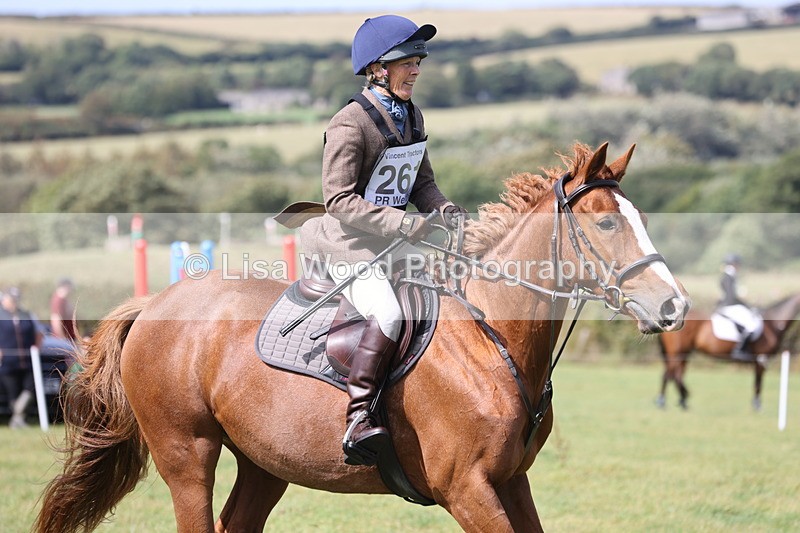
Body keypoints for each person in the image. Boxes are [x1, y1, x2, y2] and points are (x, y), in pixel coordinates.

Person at [296, 14, 467, 466]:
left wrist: (442, 208)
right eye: (406, 62)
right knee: (389, 313)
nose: (416, 70)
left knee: (448, 292)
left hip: (391, 243)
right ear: (378, 69)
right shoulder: (350, 123)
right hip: (348, 245)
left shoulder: (411, 115)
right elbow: (337, 200)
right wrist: (403, 224)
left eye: (418, 61)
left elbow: (421, 183)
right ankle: (358, 417)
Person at [0, 287, 43, 428]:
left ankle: (17, 418)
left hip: (28, 362)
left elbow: (39, 332)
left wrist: (36, 347)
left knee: (30, 388)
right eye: (11, 299)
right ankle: (18, 420)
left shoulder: (28, 315)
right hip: (8, 363)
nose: (14, 302)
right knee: (13, 393)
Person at [717, 254, 761, 361]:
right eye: (738, 264)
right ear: (734, 264)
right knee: (751, 325)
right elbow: (732, 297)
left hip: (730, 305)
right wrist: (747, 306)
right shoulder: (728, 277)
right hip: (730, 306)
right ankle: (739, 349)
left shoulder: (731, 276)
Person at [50, 277, 78, 342]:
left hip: (68, 339)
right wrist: (62, 339)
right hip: (63, 340)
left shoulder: (64, 300)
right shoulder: (58, 300)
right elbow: (56, 321)